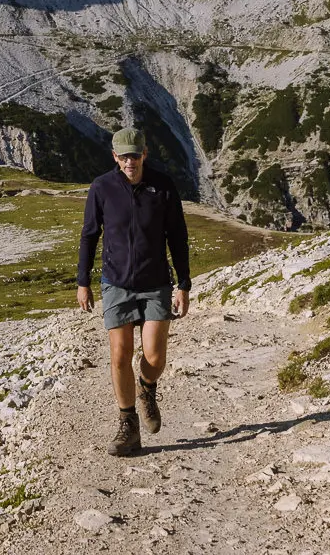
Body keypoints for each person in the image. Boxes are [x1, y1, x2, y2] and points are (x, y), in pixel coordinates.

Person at [76, 127, 191, 455]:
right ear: (115, 156)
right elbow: (89, 234)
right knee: (120, 354)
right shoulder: (102, 187)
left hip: (156, 283)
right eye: (124, 156)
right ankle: (128, 424)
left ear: (145, 154)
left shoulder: (163, 185)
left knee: (154, 356)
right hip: (116, 283)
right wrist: (83, 282)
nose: (130, 161)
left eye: (135, 155)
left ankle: (147, 388)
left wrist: (183, 284)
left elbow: (177, 236)